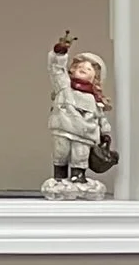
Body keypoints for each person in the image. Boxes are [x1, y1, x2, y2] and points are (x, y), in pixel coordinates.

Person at [47, 32, 110, 193]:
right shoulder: (64, 86)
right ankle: (59, 178)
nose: (83, 69)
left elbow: (101, 117)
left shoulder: (94, 99)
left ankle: (78, 178)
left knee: (80, 155)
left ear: (95, 77)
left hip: (85, 133)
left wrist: (105, 133)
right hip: (63, 128)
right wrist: (60, 52)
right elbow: (56, 69)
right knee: (61, 153)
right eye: (80, 67)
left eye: (88, 69)